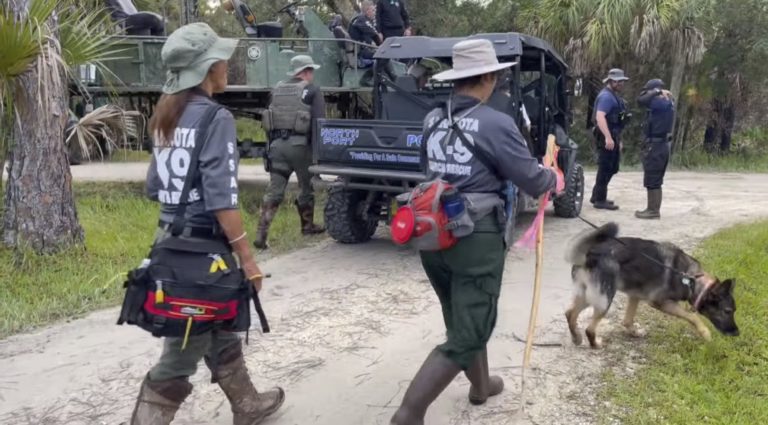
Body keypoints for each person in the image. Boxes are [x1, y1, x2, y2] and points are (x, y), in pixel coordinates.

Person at [390, 39, 561, 424]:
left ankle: (481, 386)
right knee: (469, 329)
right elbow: (534, 181)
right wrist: (553, 175)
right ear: (486, 76)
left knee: (461, 314)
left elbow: (428, 172)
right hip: (475, 237)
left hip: (432, 232)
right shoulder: (497, 123)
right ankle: (409, 413)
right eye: (496, 75)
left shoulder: (433, 119)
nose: (498, 80)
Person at [134, 22, 284, 424]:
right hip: (202, 253)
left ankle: (247, 405)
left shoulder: (167, 114)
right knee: (180, 353)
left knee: (217, 322)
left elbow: (154, 187)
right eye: (222, 60)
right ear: (207, 69)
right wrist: (249, 261)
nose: (227, 66)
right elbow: (222, 199)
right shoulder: (215, 118)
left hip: (170, 242)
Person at [254, 55, 326, 249]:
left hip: (277, 146)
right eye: (311, 71)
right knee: (306, 187)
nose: (312, 75)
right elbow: (319, 123)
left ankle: (261, 234)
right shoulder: (312, 90)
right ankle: (307, 226)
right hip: (300, 147)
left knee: (274, 191)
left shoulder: (276, 90)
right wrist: (319, 154)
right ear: (305, 72)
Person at [635, 78, 675, 219]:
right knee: (655, 178)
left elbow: (640, 100)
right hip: (661, 145)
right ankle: (652, 209)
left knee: (653, 178)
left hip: (656, 146)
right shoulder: (667, 102)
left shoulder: (659, 102)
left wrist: (656, 92)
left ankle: (653, 210)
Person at [590, 68, 630, 210]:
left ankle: (597, 195)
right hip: (606, 136)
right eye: (620, 82)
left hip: (613, 135)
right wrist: (608, 137)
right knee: (605, 168)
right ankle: (600, 200)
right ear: (612, 81)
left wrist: (617, 139)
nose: (622, 84)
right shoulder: (606, 97)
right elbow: (600, 117)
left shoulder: (613, 96)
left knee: (612, 168)